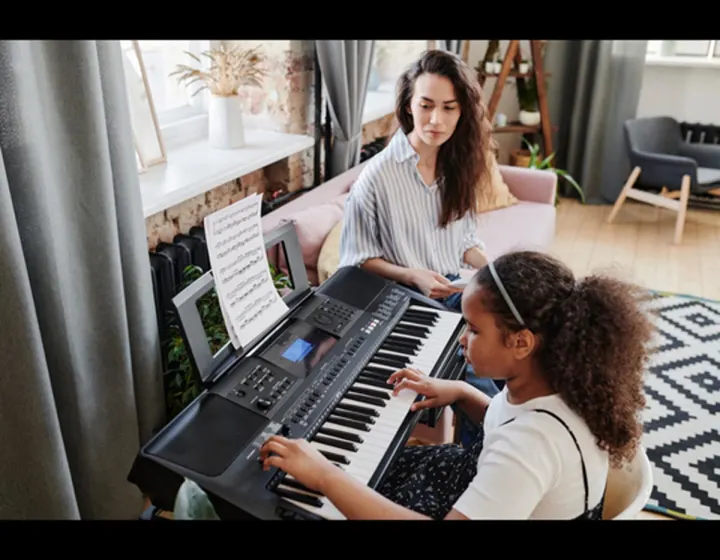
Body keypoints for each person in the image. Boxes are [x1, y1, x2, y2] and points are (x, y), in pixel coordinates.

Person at [259, 251, 654, 519]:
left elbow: (521, 453)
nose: (463, 338)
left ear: (521, 342)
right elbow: (507, 427)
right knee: (374, 469)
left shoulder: (530, 446)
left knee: (326, 494)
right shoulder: (559, 385)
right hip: (474, 484)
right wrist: (463, 394)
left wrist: (326, 475)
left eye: (474, 329)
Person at [337, 49, 497, 312]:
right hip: (403, 298)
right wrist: (411, 274)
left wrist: (494, 271)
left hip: (452, 289)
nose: (436, 120)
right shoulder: (377, 177)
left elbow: (464, 242)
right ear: (409, 106)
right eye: (426, 106)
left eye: (449, 108)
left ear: (462, 112)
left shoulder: (459, 166)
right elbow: (357, 260)